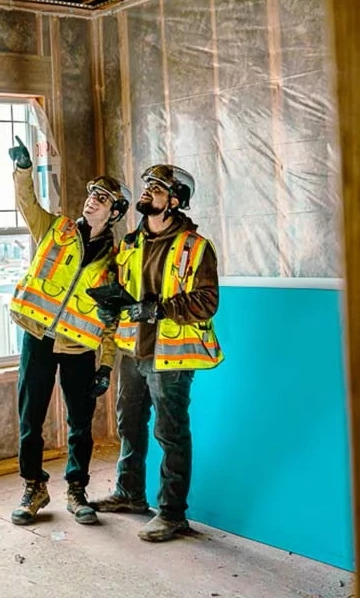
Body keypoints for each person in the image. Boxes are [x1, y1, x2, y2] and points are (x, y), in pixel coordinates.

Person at [88, 164, 224, 542]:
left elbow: (207, 302)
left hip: (170, 357)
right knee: (129, 426)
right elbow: (119, 285)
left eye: (157, 188)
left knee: (170, 433)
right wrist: (109, 306)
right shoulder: (131, 242)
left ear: (175, 201)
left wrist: (160, 309)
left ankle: (172, 513)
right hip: (133, 351)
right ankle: (130, 494)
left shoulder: (196, 248)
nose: (146, 191)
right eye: (147, 185)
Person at [6, 136, 130, 526]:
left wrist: (107, 365)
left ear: (114, 213)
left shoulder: (116, 259)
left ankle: (77, 490)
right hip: (38, 337)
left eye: (102, 198)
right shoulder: (56, 230)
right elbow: (27, 204)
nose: (92, 200)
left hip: (79, 347)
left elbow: (113, 318)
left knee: (80, 422)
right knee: (31, 418)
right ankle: (33, 487)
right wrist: (23, 171)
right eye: (92, 194)